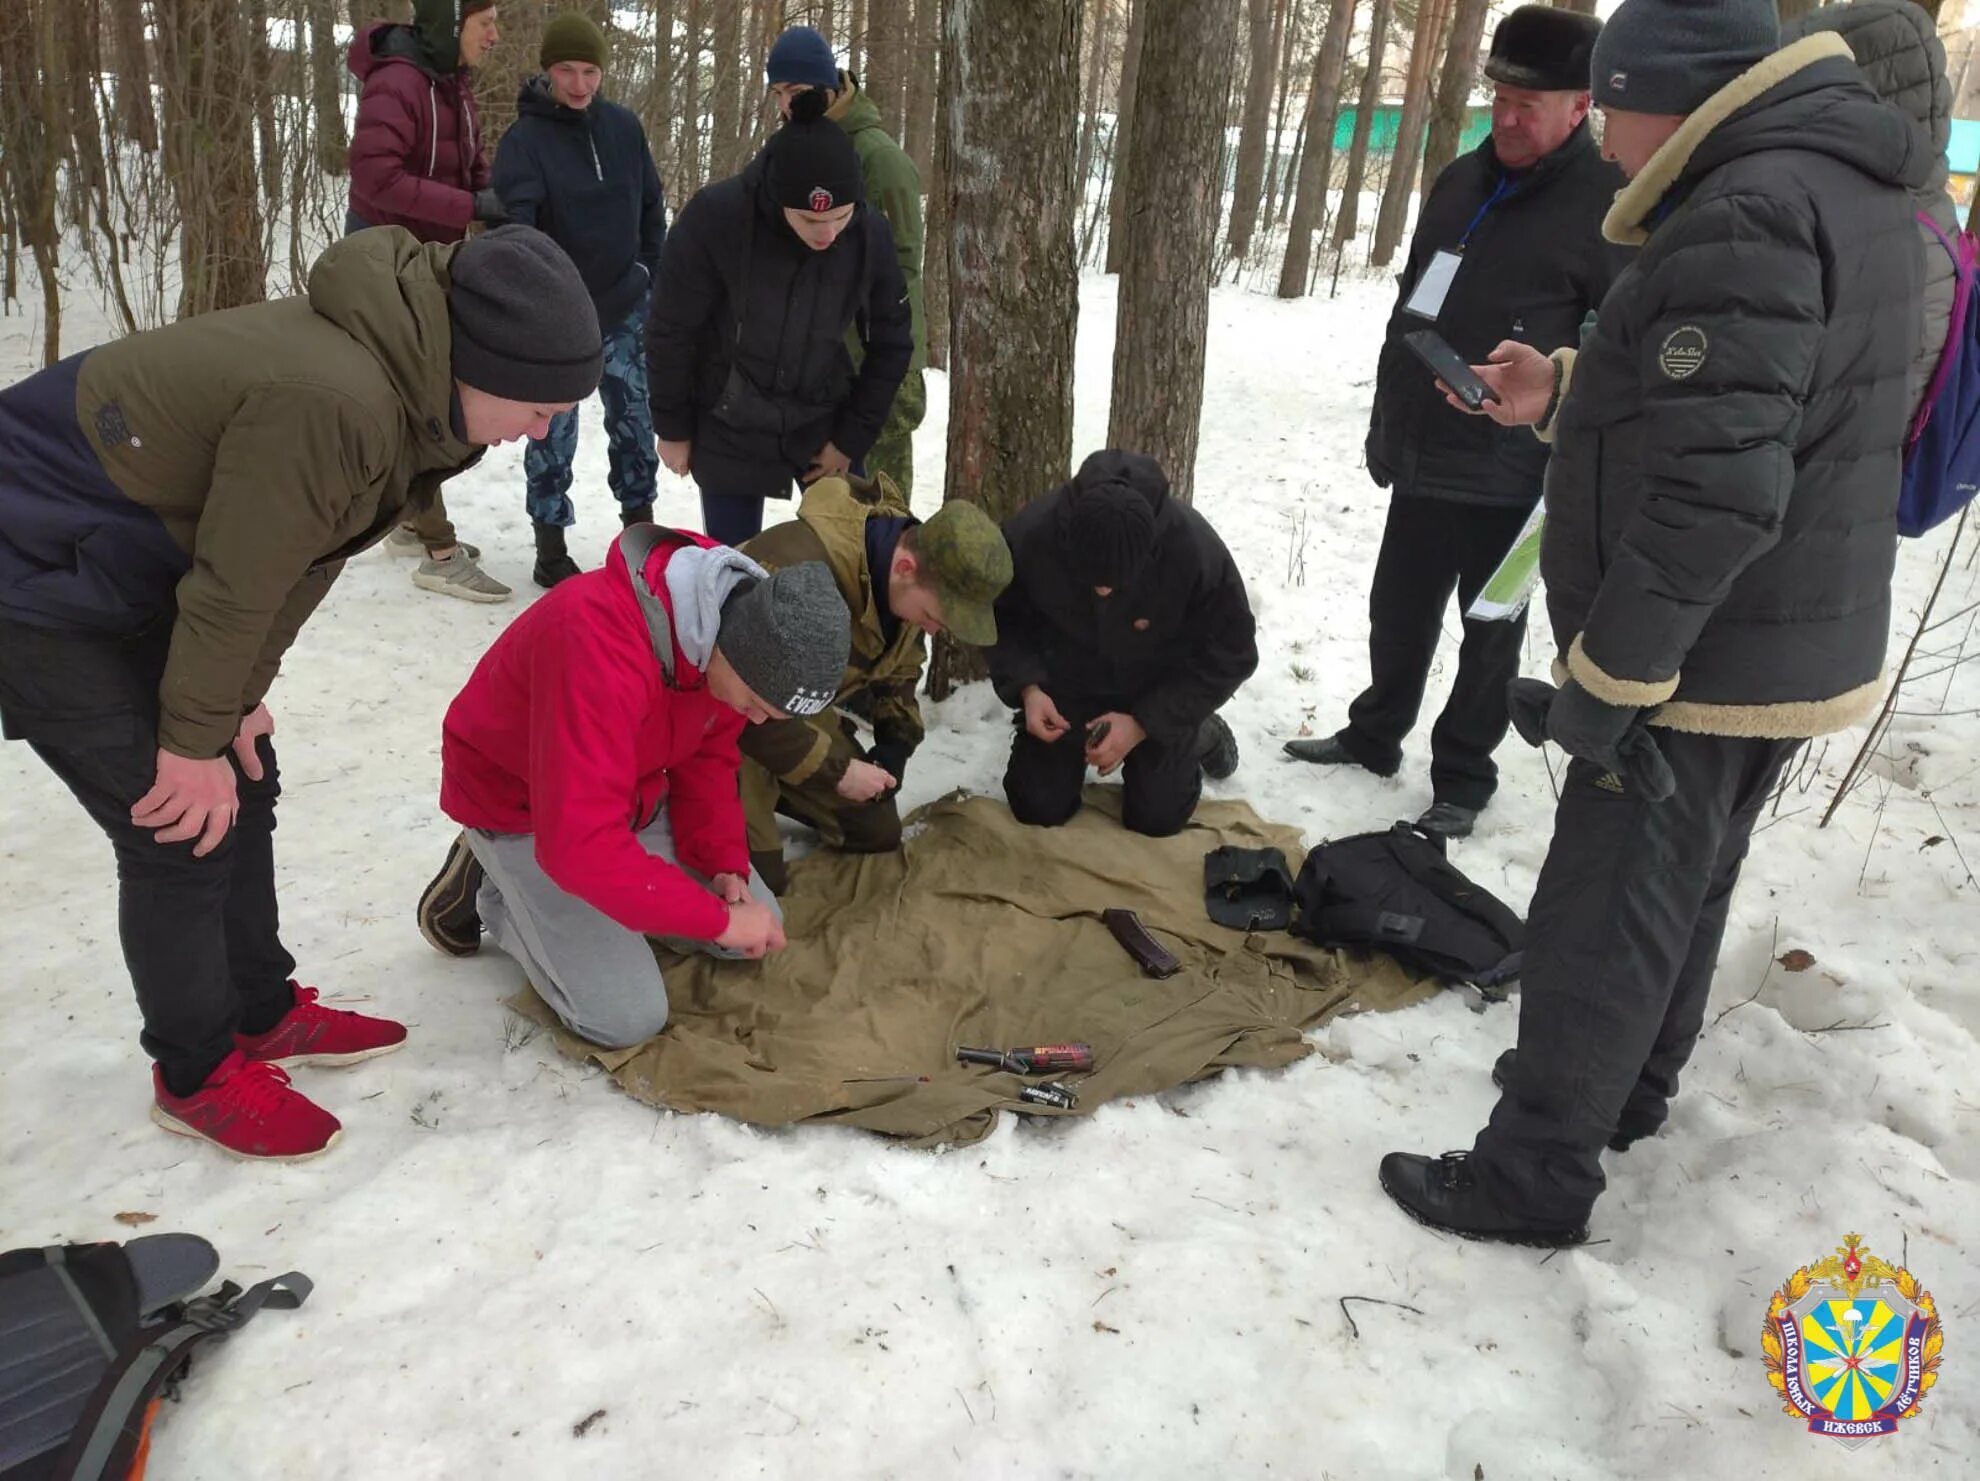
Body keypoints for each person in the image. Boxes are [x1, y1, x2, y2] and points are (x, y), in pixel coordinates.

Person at [1378, 0, 1930, 1245]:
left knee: (1603, 906)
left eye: (1611, 109)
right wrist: (1568, 383)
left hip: (1704, 647)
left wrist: (1612, 674)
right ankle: (1626, 1090)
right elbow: (1755, 395)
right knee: (1684, 891)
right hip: (1780, 634)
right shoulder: (1832, 180)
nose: (1608, 142)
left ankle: (1531, 1172)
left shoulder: (1745, 206)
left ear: (1662, 94)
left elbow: (1717, 489)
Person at [0, 225, 603, 1161]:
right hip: (30, 568)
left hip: (120, 560)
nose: (544, 431)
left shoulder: (411, 399)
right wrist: (191, 742)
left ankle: (260, 1010)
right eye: (540, 406)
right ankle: (195, 1074)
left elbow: (301, 558)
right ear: (482, 364)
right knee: (176, 820)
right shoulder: (340, 398)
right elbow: (238, 581)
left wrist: (235, 703)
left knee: (246, 769)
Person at [1285, 5, 1626, 841]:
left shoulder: (1606, 202)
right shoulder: (1462, 177)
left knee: (1488, 631)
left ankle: (1465, 775)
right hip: (1425, 449)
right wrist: (1386, 420)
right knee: (1395, 609)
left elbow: (1618, 340)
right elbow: (1411, 303)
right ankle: (1375, 734)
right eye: (1500, 96)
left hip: (1512, 467)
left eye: (1527, 105)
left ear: (1579, 107)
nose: (1505, 118)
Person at [416, 534, 850, 1048]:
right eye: (757, 703)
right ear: (733, 649)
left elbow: (708, 759)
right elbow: (579, 843)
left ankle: (564, 896)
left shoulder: (726, 634)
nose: (756, 719)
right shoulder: (596, 641)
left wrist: (723, 862)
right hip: (524, 806)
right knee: (624, 1018)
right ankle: (497, 893)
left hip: (623, 793)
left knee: (754, 928)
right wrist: (713, 919)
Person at [644, 89, 913, 547]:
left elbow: (892, 343)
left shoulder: (869, 234)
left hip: (822, 413)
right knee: (734, 566)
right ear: (777, 200)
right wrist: (672, 426)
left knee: (854, 558)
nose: (827, 233)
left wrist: (851, 438)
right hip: (727, 415)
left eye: (841, 217)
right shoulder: (717, 218)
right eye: (809, 221)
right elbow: (671, 330)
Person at [736, 477, 1011, 893]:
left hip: (793, 718)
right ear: (905, 568)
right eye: (936, 615)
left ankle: (780, 790)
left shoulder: (902, 583)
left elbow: (900, 671)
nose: (934, 630)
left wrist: (895, 743)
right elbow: (737, 703)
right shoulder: (793, 570)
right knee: (757, 887)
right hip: (724, 730)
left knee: (874, 830)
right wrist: (836, 771)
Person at [987, 451, 1256, 838]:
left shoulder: (1193, 550)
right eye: (1092, 579)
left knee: (1158, 818)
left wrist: (1147, 723)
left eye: (1116, 583)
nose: (1103, 590)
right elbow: (1000, 618)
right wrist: (1027, 686)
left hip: (1157, 689)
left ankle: (1201, 732)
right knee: (1036, 805)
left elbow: (1233, 653)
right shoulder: (1033, 534)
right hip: (1067, 683)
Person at [492, 11, 668, 589]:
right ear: (547, 71)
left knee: (634, 425)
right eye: (566, 70)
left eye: (590, 70)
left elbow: (651, 208)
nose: (578, 83)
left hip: (624, 305)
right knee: (550, 433)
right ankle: (550, 548)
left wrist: (647, 271)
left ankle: (639, 540)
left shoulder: (622, 127)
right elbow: (519, 231)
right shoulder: (525, 141)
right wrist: (544, 300)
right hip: (557, 317)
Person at [348, 0, 513, 602]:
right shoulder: (398, 82)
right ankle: (439, 550)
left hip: (425, 261)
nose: (496, 35)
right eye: (485, 23)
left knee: (422, 393)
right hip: (382, 263)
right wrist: (469, 209)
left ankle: (412, 519)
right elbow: (375, 179)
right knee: (421, 398)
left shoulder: (451, 82)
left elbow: (468, 164)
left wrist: (497, 196)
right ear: (450, 24)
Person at [765, 26, 927, 496]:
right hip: (822, 364)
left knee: (884, 509)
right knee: (831, 511)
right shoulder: (793, 148)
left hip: (880, 365)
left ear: (830, 87)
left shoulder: (878, 157)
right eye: (778, 93)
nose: (785, 105)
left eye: (795, 91)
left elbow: (903, 267)